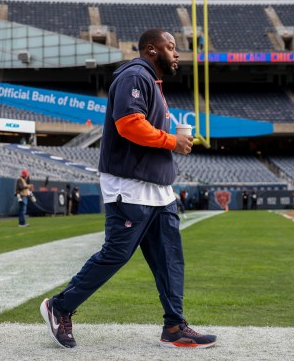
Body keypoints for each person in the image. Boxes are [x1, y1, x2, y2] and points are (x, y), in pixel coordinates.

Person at [40, 29, 216, 349]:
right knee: (116, 254)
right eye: (171, 47)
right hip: (130, 186)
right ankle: (60, 306)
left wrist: (171, 144)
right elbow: (129, 124)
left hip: (159, 189)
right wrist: (172, 141)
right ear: (151, 49)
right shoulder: (135, 75)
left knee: (169, 259)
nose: (177, 54)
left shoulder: (153, 83)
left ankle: (174, 326)